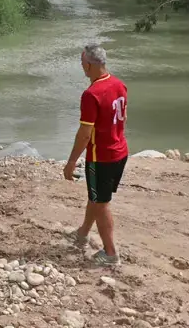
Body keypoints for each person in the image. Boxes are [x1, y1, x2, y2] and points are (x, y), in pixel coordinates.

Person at [63, 44, 128, 266]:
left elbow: (84, 134)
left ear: (89, 65)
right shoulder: (119, 85)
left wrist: (71, 162)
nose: (82, 66)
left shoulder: (91, 94)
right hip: (120, 152)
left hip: (101, 158)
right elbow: (123, 119)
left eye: (82, 63)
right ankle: (82, 234)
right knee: (96, 196)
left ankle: (110, 253)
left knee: (101, 204)